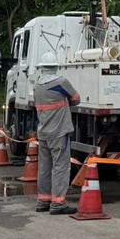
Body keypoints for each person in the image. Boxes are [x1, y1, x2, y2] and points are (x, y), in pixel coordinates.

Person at [33, 51, 80, 215]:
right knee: (60, 167)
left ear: (42, 67)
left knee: (45, 167)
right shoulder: (61, 82)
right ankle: (58, 204)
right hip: (59, 133)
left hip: (43, 132)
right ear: (56, 66)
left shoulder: (37, 84)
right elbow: (76, 98)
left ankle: (43, 201)